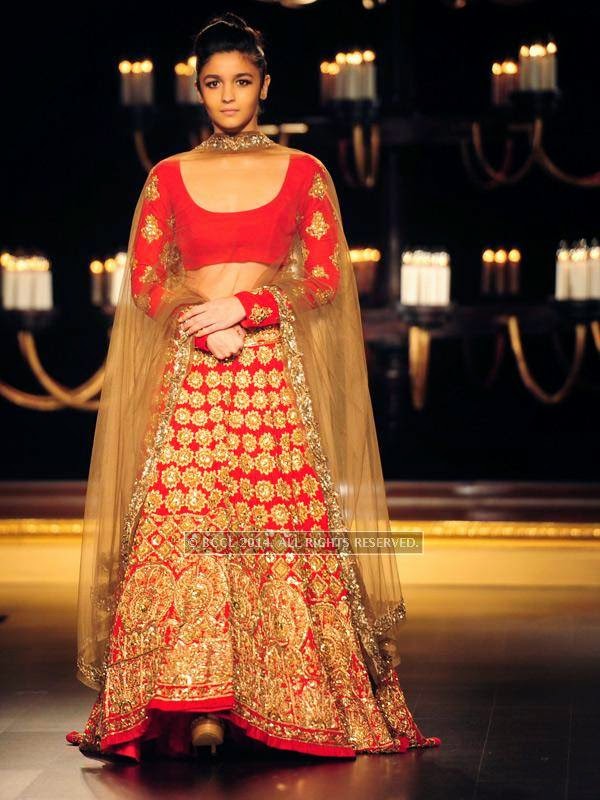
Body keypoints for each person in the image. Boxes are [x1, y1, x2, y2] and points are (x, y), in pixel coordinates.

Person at [66, 12, 441, 761]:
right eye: (213, 83)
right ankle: (191, 706)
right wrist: (206, 323)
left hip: (271, 375)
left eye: (242, 81)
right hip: (195, 378)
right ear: (197, 90)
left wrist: (252, 307)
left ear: (265, 86)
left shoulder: (304, 173)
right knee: (184, 537)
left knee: (273, 537)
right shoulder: (167, 176)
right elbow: (145, 278)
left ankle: (276, 700)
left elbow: (327, 276)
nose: (227, 95)